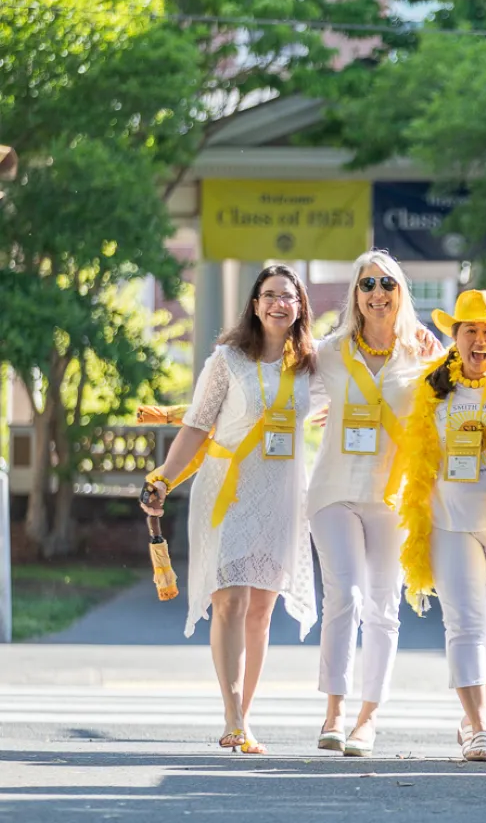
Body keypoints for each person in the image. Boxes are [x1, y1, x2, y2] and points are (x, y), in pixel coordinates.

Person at [140, 264, 319, 755]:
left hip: (282, 495)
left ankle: (247, 717)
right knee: (230, 601)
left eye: (289, 296)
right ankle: (232, 715)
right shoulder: (226, 360)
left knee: (262, 609)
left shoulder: (309, 364)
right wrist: (163, 477)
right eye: (270, 295)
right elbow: (196, 426)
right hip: (228, 492)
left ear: (300, 306)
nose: (280, 304)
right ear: (255, 304)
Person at [395, 289, 486, 763]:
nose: (480, 340)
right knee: (466, 625)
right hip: (450, 522)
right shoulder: (431, 385)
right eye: (470, 331)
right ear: (454, 337)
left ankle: (473, 715)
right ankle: (479, 728)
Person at [309, 250, 443, 758]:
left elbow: (468, 396)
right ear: (355, 296)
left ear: (401, 292)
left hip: (392, 498)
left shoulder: (426, 354)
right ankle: (334, 713)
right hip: (333, 491)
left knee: (384, 607)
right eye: (367, 284)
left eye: (387, 283)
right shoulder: (328, 352)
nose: (377, 293)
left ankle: (369, 718)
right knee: (344, 597)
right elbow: (276, 390)